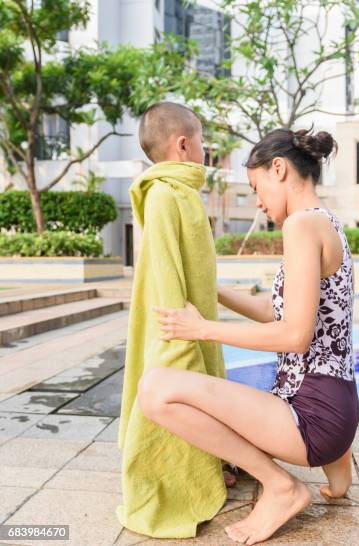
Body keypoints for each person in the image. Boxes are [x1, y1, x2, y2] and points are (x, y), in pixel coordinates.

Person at [139, 126, 359, 545]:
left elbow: (295, 335)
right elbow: (272, 312)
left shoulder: (300, 226)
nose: (257, 201)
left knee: (155, 390)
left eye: (256, 187)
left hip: (310, 418)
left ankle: (281, 487)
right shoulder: (326, 222)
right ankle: (338, 465)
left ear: (279, 169)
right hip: (338, 408)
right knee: (221, 409)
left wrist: (201, 328)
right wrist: (209, 289)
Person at [116, 101, 234, 539]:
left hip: (196, 321)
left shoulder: (183, 192)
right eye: (202, 142)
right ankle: (172, 482)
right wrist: (176, 337)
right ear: (183, 144)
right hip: (178, 326)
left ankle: (209, 464)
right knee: (179, 397)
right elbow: (165, 269)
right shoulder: (165, 195)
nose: (205, 151)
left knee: (207, 395)